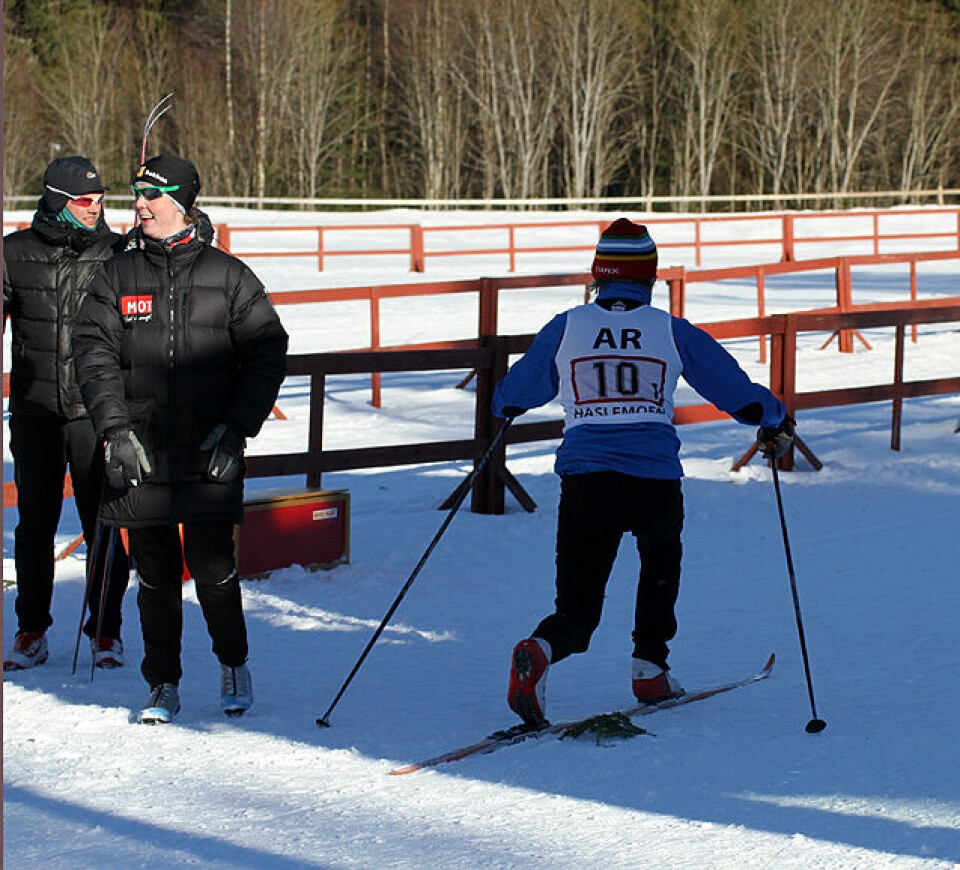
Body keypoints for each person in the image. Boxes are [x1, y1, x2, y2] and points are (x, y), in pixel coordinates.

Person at [492, 218, 794, 726]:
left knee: (579, 608)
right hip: (653, 481)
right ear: (649, 277)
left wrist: (511, 405)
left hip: (586, 481)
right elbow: (733, 390)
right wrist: (773, 415)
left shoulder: (567, 326)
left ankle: (542, 648)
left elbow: (511, 396)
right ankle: (650, 667)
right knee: (659, 564)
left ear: (598, 275)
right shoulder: (669, 329)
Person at [72, 154, 288, 724]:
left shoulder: (229, 275)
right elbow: (91, 352)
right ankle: (162, 682)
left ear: (182, 201)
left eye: (151, 195)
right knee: (155, 576)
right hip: (138, 452)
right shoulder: (117, 276)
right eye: (136, 194)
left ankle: (233, 661)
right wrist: (113, 430)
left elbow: (269, 351)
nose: (139, 205)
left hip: (207, 448)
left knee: (215, 569)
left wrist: (237, 427)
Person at [3, 155, 130, 672]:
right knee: (34, 525)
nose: (95, 208)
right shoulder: (13, 254)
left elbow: (172, 270)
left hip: (93, 411)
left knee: (103, 522)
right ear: (57, 200)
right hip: (34, 412)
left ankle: (105, 631)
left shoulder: (118, 252)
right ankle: (31, 630)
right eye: (83, 200)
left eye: (100, 199)